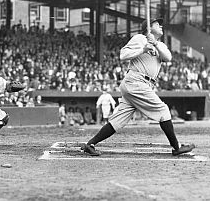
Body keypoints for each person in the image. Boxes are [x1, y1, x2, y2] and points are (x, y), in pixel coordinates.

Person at [81, 18, 195, 156]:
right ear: (148, 27)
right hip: (136, 81)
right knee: (163, 110)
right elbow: (123, 55)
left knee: (118, 120)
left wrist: (155, 43)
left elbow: (168, 57)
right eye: (157, 24)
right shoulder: (140, 38)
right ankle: (176, 147)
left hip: (142, 84)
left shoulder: (160, 44)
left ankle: (90, 144)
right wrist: (143, 49)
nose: (161, 26)